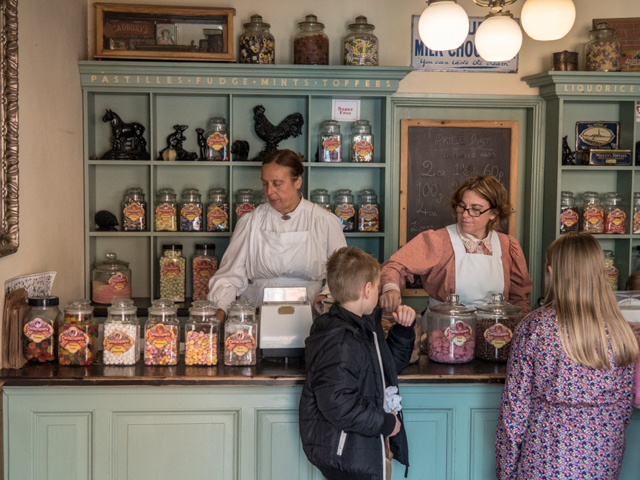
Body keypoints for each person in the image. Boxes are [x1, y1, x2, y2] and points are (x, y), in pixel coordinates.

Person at [495, 233, 638, 479]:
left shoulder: (534, 328)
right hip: (604, 454)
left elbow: (514, 412)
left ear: (551, 272)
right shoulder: (620, 328)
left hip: (546, 452)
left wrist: (506, 470)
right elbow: (624, 407)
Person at [299, 246, 416, 480]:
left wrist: (403, 331)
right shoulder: (340, 339)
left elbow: (386, 369)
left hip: (362, 449)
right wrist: (384, 422)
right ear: (367, 289)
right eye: (378, 287)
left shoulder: (364, 328)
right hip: (348, 455)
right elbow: (339, 403)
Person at [207, 149, 347, 321]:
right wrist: (219, 310)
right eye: (265, 183)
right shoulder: (250, 222)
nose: (269, 191)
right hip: (256, 316)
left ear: (298, 182)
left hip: (311, 318)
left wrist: (325, 297)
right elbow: (229, 277)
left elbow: (343, 276)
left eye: (277, 183)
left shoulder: (325, 221)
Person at [379, 174, 532, 315]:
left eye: (475, 210)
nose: (465, 215)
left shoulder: (507, 246)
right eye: (462, 207)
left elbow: (519, 299)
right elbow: (394, 265)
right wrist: (390, 289)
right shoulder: (438, 241)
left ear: (494, 213)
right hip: (444, 332)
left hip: (493, 334)